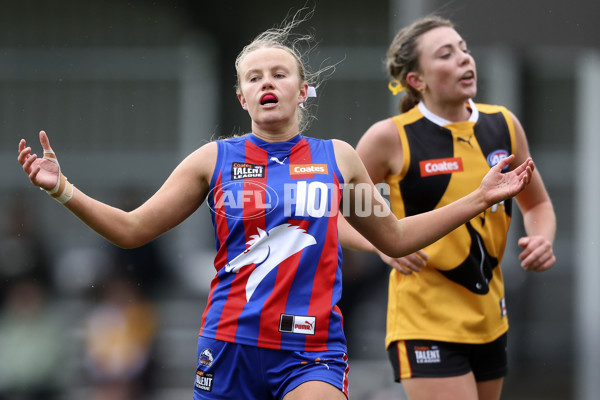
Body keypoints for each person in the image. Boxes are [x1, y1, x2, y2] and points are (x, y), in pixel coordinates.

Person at [17, 11, 535, 400]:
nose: (267, 83)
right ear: (241, 97)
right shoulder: (212, 161)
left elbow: (394, 237)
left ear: (303, 90)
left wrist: (480, 197)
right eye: (254, 77)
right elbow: (132, 230)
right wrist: (63, 188)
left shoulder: (339, 159)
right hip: (229, 344)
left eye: (280, 74)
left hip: (311, 352)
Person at [346, 15, 556, 400]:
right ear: (416, 80)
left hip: (490, 317)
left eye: (464, 49)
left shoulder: (504, 125)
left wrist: (541, 238)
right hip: (423, 321)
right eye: (446, 54)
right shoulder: (390, 137)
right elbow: (333, 212)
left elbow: (538, 203)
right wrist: (382, 243)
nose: (464, 59)